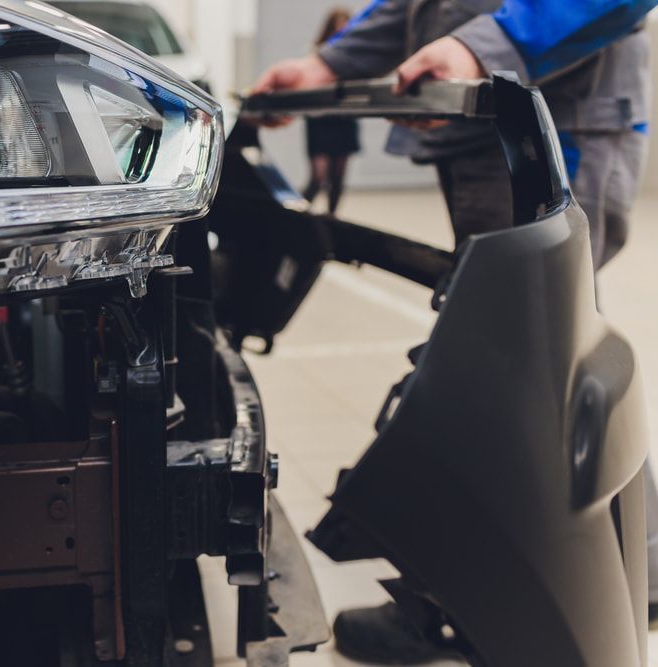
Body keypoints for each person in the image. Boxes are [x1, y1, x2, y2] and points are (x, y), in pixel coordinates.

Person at [254, 0, 657, 662]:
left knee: (520, 367)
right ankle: (640, 556)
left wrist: (496, 40)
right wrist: (328, 63)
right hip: (483, 117)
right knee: (545, 350)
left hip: (549, 118)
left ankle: (465, 611)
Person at [304, 8, 361, 213]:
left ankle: (331, 218)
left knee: (338, 178)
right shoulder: (320, 54)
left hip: (343, 120)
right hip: (320, 121)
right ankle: (299, 214)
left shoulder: (356, 56)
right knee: (318, 177)